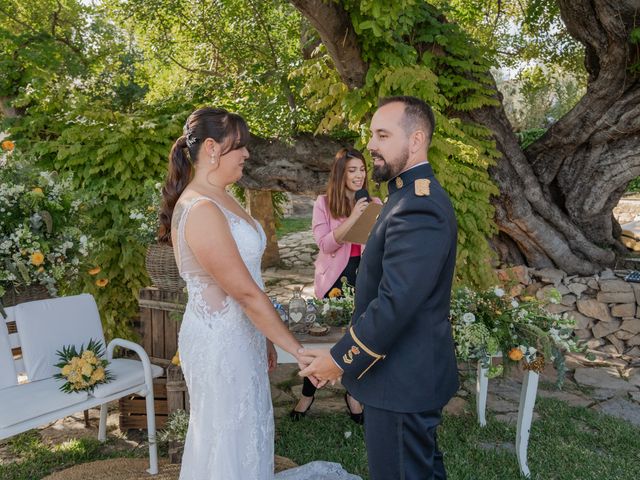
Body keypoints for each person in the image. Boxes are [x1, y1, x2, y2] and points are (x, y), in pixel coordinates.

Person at [158, 107, 352, 480]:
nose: (247, 154)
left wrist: (263, 336)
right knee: (226, 435)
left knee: (250, 430)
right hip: (219, 343)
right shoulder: (200, 207)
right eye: (240, 146)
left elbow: (250, 282)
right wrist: (297, 350)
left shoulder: (224, 196)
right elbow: (245, 293)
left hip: (241, 334)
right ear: (212, 148)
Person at [300, 96, 459, 480]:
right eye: (372, 134)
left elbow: (395, 304)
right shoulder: (402, 197)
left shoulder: (418, 205)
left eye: (382, 135)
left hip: (400, 379)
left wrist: (338, 359)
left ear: (416, 139)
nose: (371, 144)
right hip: (402, 374)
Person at [290, 147, 381, 424]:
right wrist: (354, 216)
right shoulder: (324, 203)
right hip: (334, 281)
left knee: (360, 338)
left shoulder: (373, 201)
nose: (359, 175)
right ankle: (308, 393)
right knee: (329, 340)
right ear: (341, 174)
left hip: (366, 277)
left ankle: (353, 394)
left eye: (362, 169)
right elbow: (326, 244)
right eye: (352, 170)